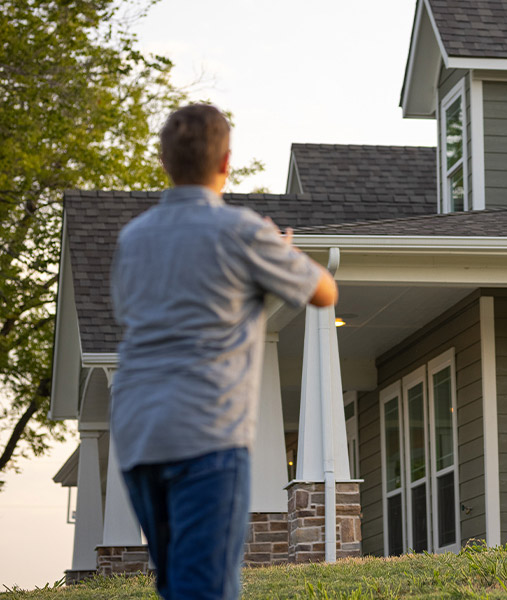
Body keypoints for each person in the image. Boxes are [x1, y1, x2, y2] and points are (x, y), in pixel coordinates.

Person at [110, 104, 337, 599]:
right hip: (206, 433)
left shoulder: (132, 239)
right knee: (207, 589)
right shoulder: (242, 232)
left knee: (176, 584)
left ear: (164, 161)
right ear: (226, 161)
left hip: (138, 433)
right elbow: (324, 292)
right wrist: (284, 251)